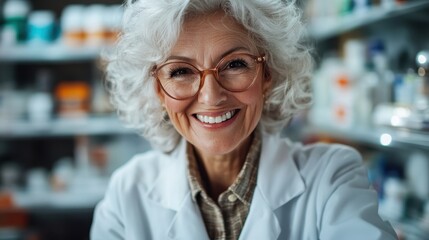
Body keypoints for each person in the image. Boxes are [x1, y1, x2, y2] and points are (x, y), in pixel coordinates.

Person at [90, 0, 398, 239]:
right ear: (157, 89)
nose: (211, 96)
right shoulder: (125, 194)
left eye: (235, 64)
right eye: (180, 71)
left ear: (268, 75)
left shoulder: (331, 178)